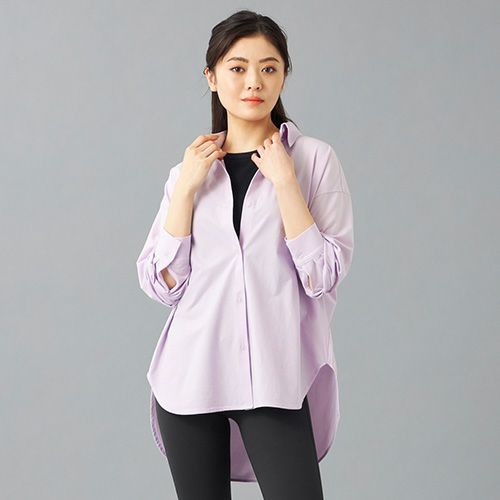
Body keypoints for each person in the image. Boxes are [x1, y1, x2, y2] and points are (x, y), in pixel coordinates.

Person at [136, 9, 354, 500]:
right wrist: (186, 191)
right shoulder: (187, 172)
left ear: (283, 76)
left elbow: (323, 275)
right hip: (190, 377)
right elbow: (162, 284)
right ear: (212, 77)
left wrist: (286, 184)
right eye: (237, 68)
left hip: (276, 376)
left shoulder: (314, 160)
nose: (254, 81)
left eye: (268, 67)